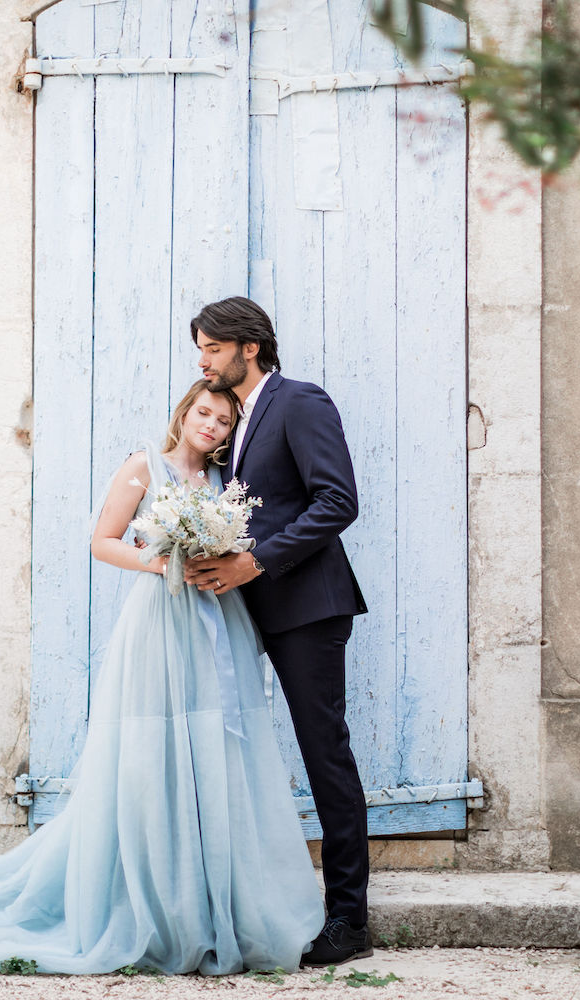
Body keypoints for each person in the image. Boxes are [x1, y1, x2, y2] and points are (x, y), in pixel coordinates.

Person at [0, 383, 324, 983]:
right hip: (162, 623)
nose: (212, 426)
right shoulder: (143, 465)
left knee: (217, 748)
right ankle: (153, 904)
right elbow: (103, 542)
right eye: (204, 413)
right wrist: (162, 559)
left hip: (217, 621)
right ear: (185, 413)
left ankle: (213, 902)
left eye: (224, 421)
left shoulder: (225, 485)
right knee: (155, 754)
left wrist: (218, 553)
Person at [181, 296, 372, 967]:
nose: (202, 361)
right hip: (252, 610)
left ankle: (350, 921)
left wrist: (253, 560)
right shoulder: (241, 419)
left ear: (249, 347)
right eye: (200, 349)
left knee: (326, 755)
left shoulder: (299, 401)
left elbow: (338, 500)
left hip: (308, 609)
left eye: (210, 347)